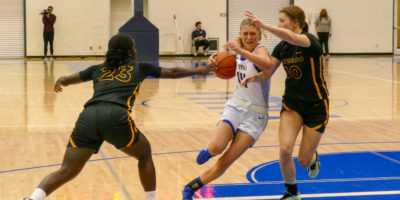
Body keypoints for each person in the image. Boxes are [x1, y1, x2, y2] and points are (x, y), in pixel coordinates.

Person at [21, 34, 215, 200]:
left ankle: (33, 198)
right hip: (115, 115)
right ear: (130, 52)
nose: (136, 50)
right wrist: (200, 70)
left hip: (88, 116)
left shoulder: (98, 69)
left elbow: (68, 80)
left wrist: (60, 81)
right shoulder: (139, 67)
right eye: (134, 47)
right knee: (144, 153)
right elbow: (172, 72)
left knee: (66, 170)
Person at [181, 18, 274, 200]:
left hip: (256, 116)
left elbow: (266, 63)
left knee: (225, 161)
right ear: (240, 34)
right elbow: (223, 61)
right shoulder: (235, 53)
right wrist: (214, 61)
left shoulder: (260, 50)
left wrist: (240, 51)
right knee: (216, 147)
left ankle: (190, 187)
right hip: (236, 106)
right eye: (245, 33)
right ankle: (210, 150)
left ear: (259, 35)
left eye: (252, 34)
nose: (249, 37)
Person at [244, 6, 329, 200]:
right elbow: (268, 72)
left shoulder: (310, 41)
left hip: (316, 106)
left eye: (282, 21)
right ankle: (291, 192)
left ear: (295, 22)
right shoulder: (282, 47)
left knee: (303, 161)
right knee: (284, 149)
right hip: (292, 104)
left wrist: (263, 25)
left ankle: (313, 157)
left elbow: (294, 38)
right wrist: (254, 77)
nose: (279, 24)